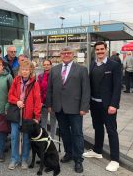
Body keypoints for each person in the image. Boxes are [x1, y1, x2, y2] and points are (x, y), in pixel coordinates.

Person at [46, 46, 90, 174]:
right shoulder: (54, 70)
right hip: (59, 108)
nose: (66, 55)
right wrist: (49, 105)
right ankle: (69, 154)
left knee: (77, 133)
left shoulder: (81, 69)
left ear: (73, 54)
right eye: (63, 53)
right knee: (64, 133)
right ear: (60, 55)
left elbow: (86, 90)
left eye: (68, 53)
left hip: (76, 109)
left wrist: (84, 107)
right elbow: (50, 89)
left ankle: (78, 160)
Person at [83, 41, 122, 172]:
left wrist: (114, 104)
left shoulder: (114, 65)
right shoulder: (93, 63)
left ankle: (115, 160)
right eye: (97, 49)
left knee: (111, 131)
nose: (99, 51)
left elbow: (117, 87)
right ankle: (97, 150)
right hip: (94, 103)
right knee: (97, 128)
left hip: (108, 105)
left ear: (106, 49)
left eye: (102, 49)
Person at [8, 59, 42, 170]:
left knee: (26, 138)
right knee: (14, 137)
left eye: (27, 69)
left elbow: (37, 101)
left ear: (30, 70)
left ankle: (24, 159)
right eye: (23, 69)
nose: (24, 71)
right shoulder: (15, 80)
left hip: (28, 116)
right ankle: (14, 159)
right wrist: (16, 101)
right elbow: (10, 96)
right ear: (20, 70)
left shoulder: (35, 83)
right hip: (16, 114)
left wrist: (37, 116)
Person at [37, 59, 57, 139]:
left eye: (48, 64)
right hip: (43, 103)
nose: (46, 66)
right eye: (44, 65)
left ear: (51, 65)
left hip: (53, 103)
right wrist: (40, 101)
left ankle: (52, 139)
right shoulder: (40, 76)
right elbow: (39, 90)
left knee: (53, 122)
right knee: (43, 122)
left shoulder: (55, 75)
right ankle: (44, 138)